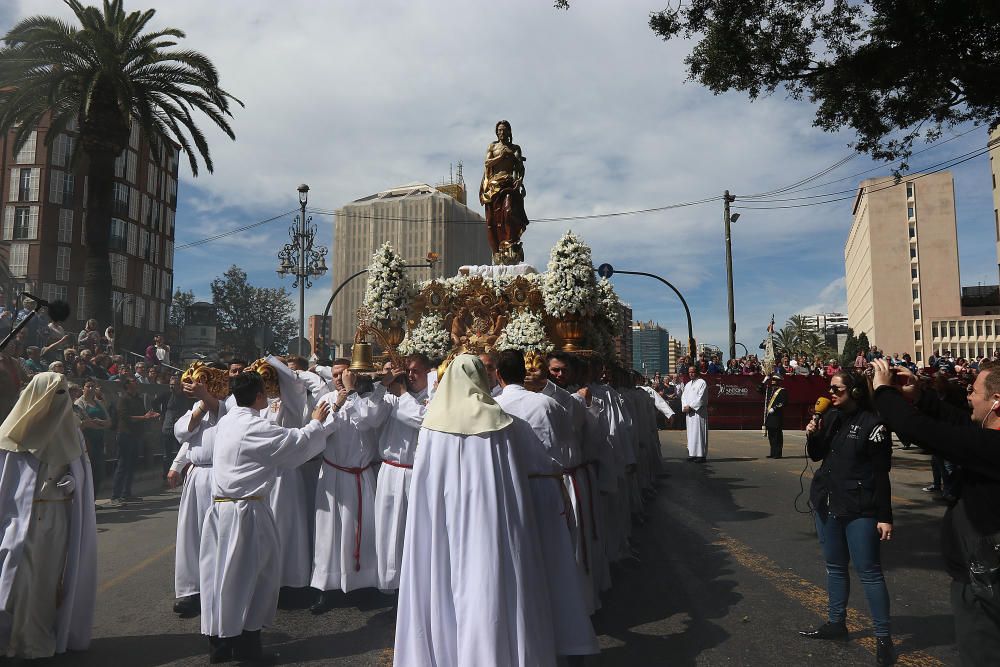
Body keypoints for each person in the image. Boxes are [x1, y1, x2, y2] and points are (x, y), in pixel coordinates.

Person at [393, 354, 556, 666]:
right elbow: (517, 479)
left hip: (443, 518)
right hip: (490, 519)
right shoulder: (501, 423)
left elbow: (427, 483)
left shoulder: (431, 425)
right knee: (489, 580)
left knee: (440, 576)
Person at [870, 358, 1000, 666]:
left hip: (987, 587)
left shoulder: (992, 445)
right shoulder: (987, 437)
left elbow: (921, 430)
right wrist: (918, 395)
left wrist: (883, 391)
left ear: (996, 401)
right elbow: (956, 423)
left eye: (974, 390)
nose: (969, 396)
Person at [199, 372, 330, 663]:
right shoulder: (252, 426)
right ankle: (247, 649)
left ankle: (220, 645)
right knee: (255, 578)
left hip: (221, 509)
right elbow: (293, 442)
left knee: (219, 577)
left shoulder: (229, 420)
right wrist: (317, 422)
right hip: (246, 514)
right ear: (259, 396)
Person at [494, 350, 599, 662]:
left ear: (498, 375)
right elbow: (569, 438)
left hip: (511, 492)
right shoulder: (547, 403)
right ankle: (566, 634)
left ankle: (522, 633)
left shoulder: (493, 407)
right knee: (557, 563)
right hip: (547, 487)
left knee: (519, 563)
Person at [801, 369, 895, 666]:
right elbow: (817, 455)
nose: (831, 393)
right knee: (834, 567)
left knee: (869, 571)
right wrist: (813, 434)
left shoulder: (874, 423)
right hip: (828, 502)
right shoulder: (831, 417)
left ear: (854, 391)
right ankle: (835, 622)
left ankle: (883, 638)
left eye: (837, 389)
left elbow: (881, 474)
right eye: (830, 388)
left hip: (861, 507)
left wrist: (885, 516)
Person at [0, 372, 97, 659]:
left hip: (56, 517)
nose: (60, 401)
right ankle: (11, 637)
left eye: (63, 394)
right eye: (54, 394)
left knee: (46, 579)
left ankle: (35, 638)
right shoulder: (13, 431)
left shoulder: (73, 431)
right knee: (18, 578)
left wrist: (73, 483)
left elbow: (83, 472)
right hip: (19, 519)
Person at [310, 360, 383, 612]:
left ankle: (363, 585)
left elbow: (369, 422)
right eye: (335, 375)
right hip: (333, 474)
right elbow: (318, 431)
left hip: (361, 475)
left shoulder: (369, 398)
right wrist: (339, 402)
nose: (339, 378)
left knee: (362, 531)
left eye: (344, 373)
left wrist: (352, 395)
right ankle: (326, 589)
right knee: (329, 533)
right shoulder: (326, 400)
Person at [369, 353, 430, 591]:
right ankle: (389, 586)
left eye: (416, 371)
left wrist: (403, 393)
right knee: (387, 531)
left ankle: (413, 588)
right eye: (408, 371)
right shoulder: (394, 397)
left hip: (416, 474)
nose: (411, 376)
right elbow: (369, 418)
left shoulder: (431, 398)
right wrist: (384, 385)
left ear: (428, 372)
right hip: (390, 470)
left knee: (412, 533)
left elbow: (421, 419)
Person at [479, 119, 530, 263]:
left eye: (504, 130)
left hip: (508, 185)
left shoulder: (515, 148)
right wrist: (502, 155)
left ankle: (511, 244)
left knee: (508, 212)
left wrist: (519, 179)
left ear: (509, 132)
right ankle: (497, 251)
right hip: (493, 186)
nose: (501, 132)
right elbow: (487, 163)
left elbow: (520, 168)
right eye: (499, 130)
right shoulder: (493, 147)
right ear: (497, 132)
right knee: (492, 221)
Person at [111, 376, 159, 505]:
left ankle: (126, 493)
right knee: (122, 465)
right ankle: (115, 495)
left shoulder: (137, 398)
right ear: (127, 385)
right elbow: (125, 417)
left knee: (132, 465)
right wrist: (144, 417)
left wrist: (150, 415)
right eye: (133, 381)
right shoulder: (123, 399)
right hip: (125, 434)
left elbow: (143, 414)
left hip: (136, 435)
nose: (136, 383)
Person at [76, 380, 111, 497]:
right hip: (87, 442)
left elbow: (109, 422)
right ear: (83, 388)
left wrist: (101, 422)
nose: (90, 389)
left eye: (93, 386)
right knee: (87, 472)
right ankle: (86, 501)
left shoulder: (98, 403)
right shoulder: (79, 403)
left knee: (98, 473)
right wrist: (100, 425)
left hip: (99, 442)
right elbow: (85, 422)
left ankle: (93, 500)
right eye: (88, 386)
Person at [681, 364, 708, 462]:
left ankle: (701, 455)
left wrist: (691, 407)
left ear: (697, 372)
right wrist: (685, 406)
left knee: (699, 432)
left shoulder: (702, 383)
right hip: (689, 413)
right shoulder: (688, 384)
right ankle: (692, 454)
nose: (691, 374)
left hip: (698, 412)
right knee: (691, 433)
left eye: (693, 372)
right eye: (689, 372)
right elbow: (683, 397)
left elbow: (701, 398)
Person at [758, 374, 786, 459]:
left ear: (778, 381)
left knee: (777, 435)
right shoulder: (768, 389)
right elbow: (758, 389)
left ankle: (778, 453)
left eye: (774, 379)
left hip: (777, 416)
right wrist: (764, 380)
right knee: (771, 435)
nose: (773, 380)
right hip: (769, 416)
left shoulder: (782, 391)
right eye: (772, 379)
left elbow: (784, 402)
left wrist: (774, 408)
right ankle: (773, 452)